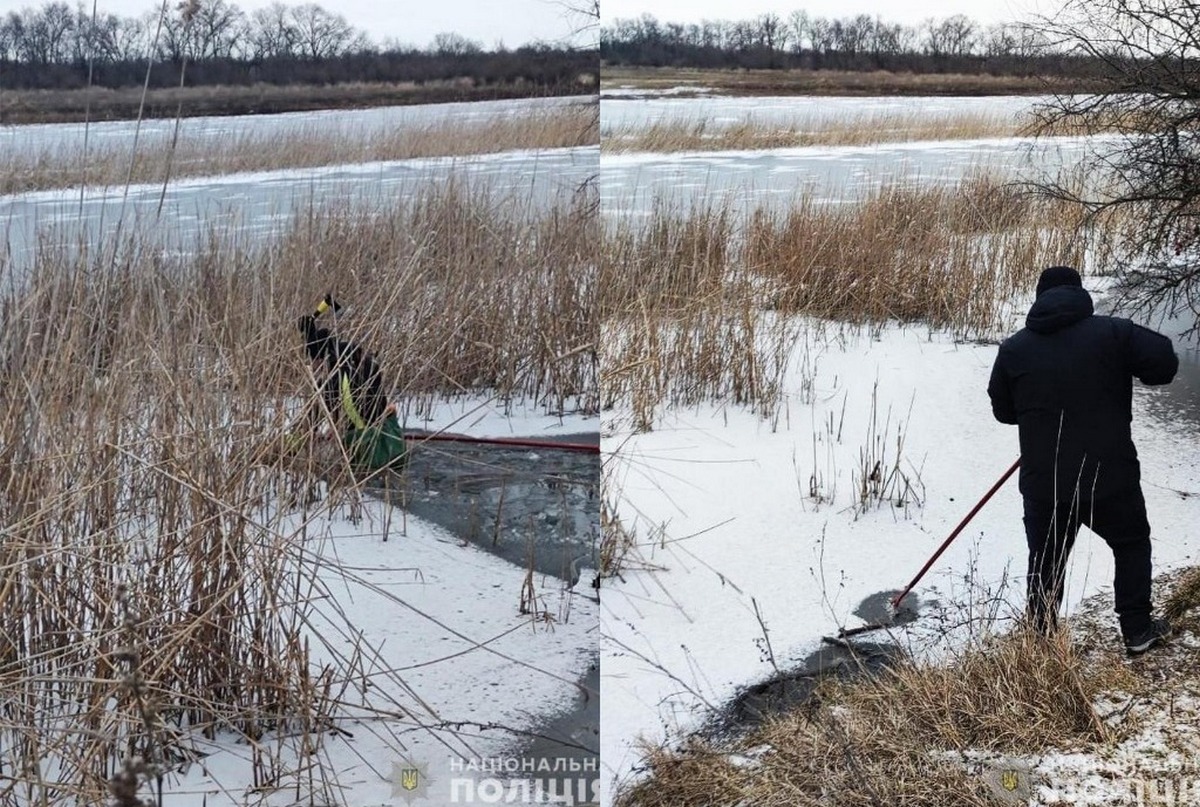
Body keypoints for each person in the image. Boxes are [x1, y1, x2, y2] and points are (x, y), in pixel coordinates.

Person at [987, 266, 1178, 655]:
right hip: (1110, 477)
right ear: (1079, 293)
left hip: (1045, 482)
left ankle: (1040, 644)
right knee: (1131, 543)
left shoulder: (1014, 349)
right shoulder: (1114, 333)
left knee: (1046, 562)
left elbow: (1004, 411)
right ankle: (1138, 630)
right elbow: (1164, 364)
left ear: (1039, 298)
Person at [295, 294, 407, 473]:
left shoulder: (335, 373)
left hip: (370, 443)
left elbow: (323, 409)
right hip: (382, 428)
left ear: (320, 355)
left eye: (313, 359)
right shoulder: (355, 356)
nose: (312, 365)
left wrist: (313, 433)